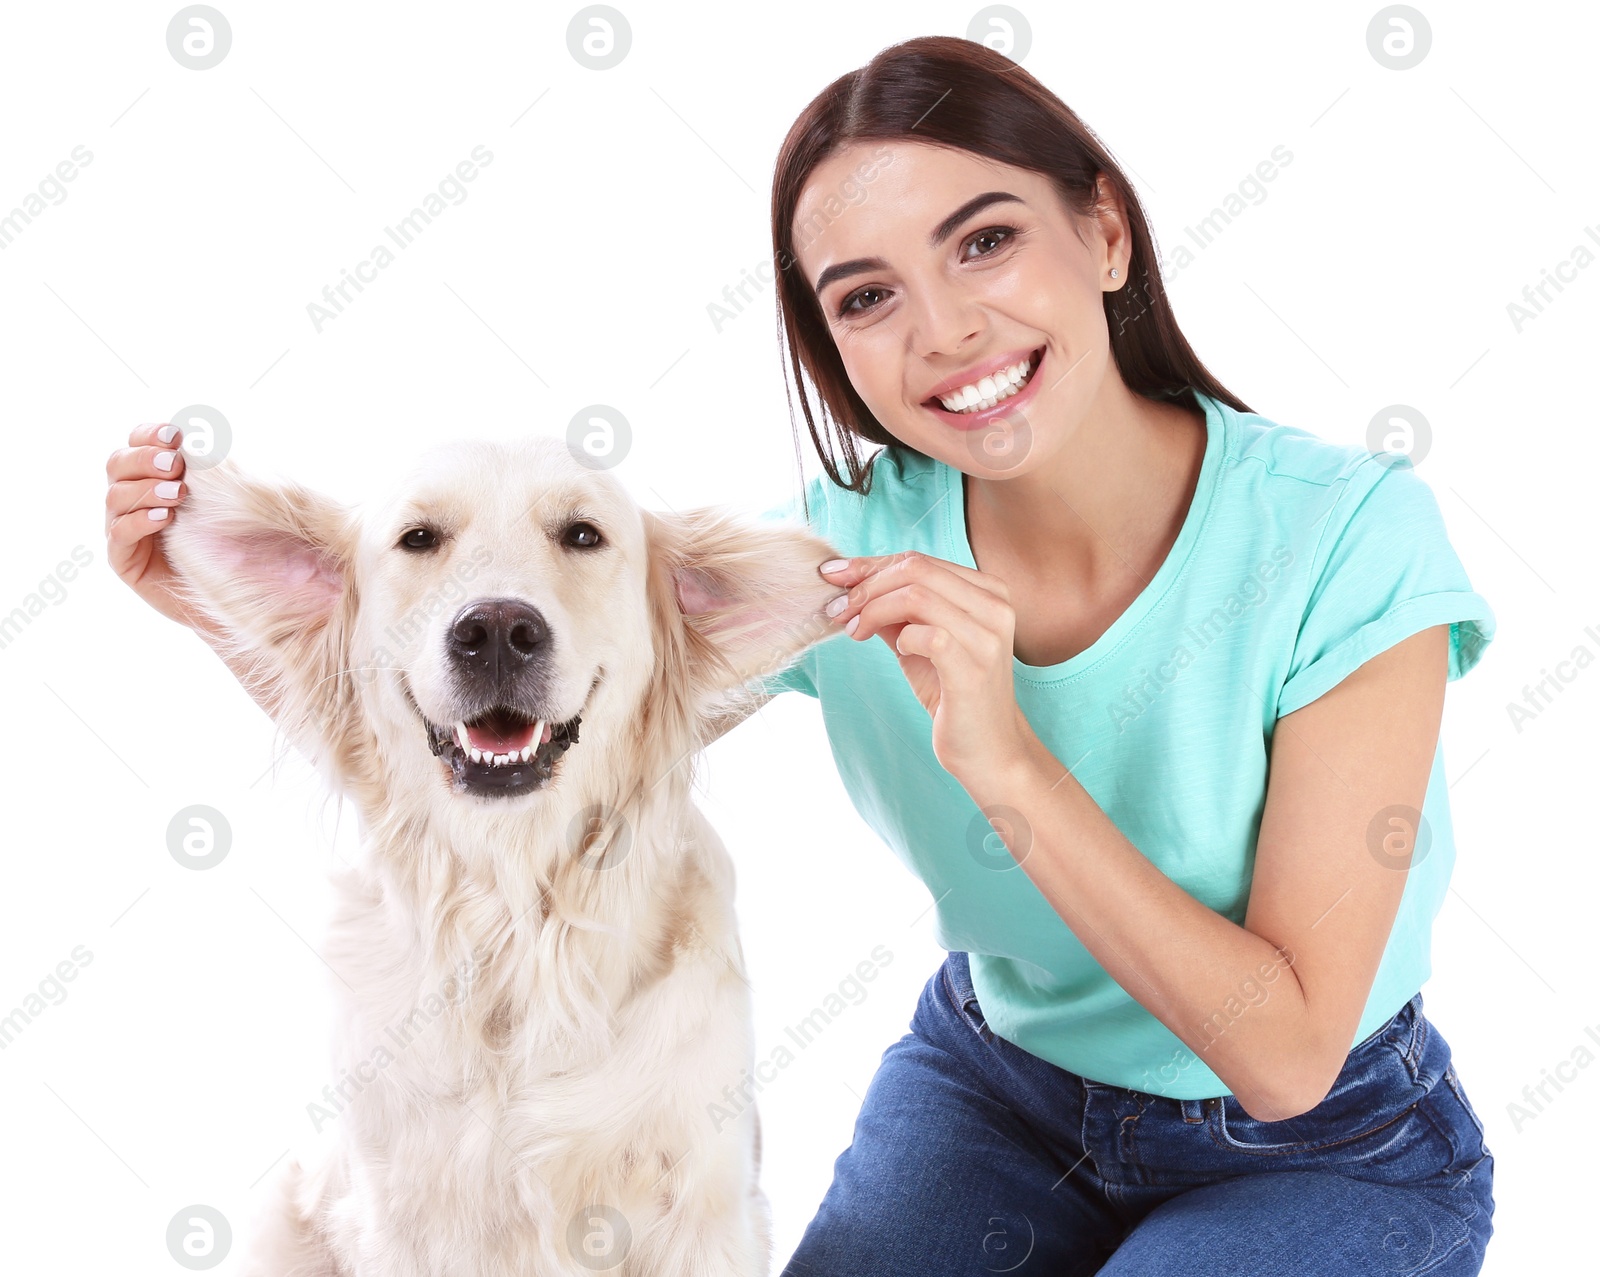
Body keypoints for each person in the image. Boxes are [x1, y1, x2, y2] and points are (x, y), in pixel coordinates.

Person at [743, 34, 1497, 1276]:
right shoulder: (835, 548)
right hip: (1000, 1090)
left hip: (1326, 1141)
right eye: (866, 296)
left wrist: (1009, 763)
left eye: (984, 241)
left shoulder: (1343, 535)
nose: (941, 328)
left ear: (1103, 232)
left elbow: (1289, 1053)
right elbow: (558, 646)